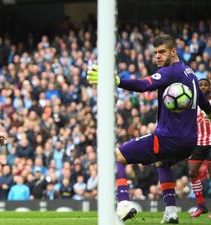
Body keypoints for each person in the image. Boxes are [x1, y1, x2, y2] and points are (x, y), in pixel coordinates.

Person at [87, 34, 211, 223]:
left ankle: (123, 203)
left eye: (162, 52)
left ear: (174, 52)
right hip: (189, 142)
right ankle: (171, 212)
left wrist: (116, 81)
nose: (158, 56)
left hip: (168, 138)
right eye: (155, 53)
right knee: (163, 163)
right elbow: (206, 106)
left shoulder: (171, 72)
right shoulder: (191, 75)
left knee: (117, 155)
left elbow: (145, 85)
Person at [188, 78, 211, 217]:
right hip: (198, 142)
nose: (202, 87)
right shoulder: (193, 102)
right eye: (200, 85)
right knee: (192, 172)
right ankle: (201, 205)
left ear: (209, 87)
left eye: (205, 85)